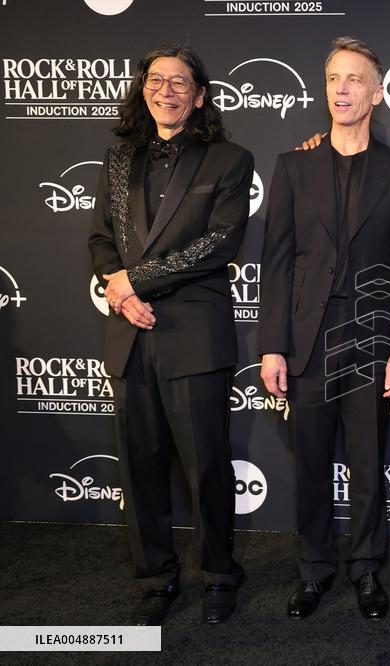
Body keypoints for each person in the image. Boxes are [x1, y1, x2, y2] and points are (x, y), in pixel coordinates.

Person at [258, 37, 390, 621]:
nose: (342, 89)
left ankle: (367, 567)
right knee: (309, 461)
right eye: (333, 79)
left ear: (377, 93)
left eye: (355, 79)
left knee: (367, 459)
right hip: (307, 337)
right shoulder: (293, 166)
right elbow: (276, 262)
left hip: (373, 337)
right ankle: (314, 568)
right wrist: (272, 346)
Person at [88, 43, 252, 626]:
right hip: (130, 333)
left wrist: (137, 280)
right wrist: (121, 290)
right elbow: (101, 238)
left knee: (206, 464)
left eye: (180, 82)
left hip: (195, 334)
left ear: (199, 95)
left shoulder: (229, 160)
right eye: (156, 80)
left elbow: (219, 243)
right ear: (143, 89)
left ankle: (220, 574)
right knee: (139, 466)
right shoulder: (118, 159)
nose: (166, 91)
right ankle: (155, 577)